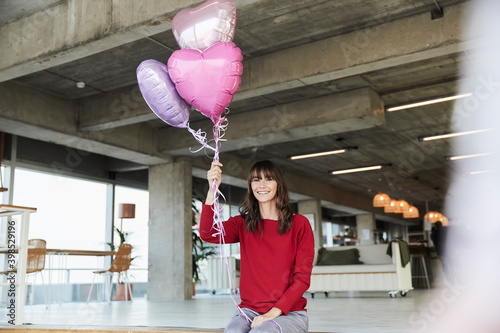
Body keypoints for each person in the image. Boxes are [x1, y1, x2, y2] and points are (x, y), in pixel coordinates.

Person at [200, 160, 315, 333]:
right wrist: (212, 190)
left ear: (279, 185)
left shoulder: (299, 224)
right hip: (248, 312)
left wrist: (271, 315)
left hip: (289, 314)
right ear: (250, 186)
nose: (261, 185)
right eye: (255, 180)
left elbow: (302, 280)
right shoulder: (242, 223)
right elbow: (207, 233)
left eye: (268, 179)